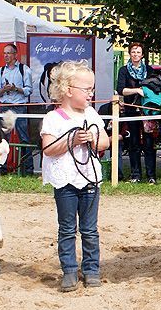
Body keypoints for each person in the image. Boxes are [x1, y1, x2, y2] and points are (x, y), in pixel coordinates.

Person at [40, 60, 109, 292]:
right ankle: (69, 270)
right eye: (86, 89)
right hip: (65, 181)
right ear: (69, 90)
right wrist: (72, 141)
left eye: (91, 89)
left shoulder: (91, 114)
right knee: (67, 228)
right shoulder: (53, 118)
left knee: (90, 229)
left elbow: (105, 141)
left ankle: (91, 270)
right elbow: (48, 148)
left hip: (90, 178)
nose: (91, 93)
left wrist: (93, 138)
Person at [116, 42, 157, 183]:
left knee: (149, 143)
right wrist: (136, 90)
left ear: (142, 54)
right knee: (133, 143)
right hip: (131, 109)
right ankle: (135, 175)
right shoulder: (123, 70)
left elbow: (155, 87)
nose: (136, 54)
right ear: (130, 53)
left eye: (138, 52)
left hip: (147, 111)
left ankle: (151, 176)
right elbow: (121, 89)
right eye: (133, 52)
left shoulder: (149, 69)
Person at [0, 43, 33, 174]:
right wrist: (4, 89)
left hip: (20, 106)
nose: (6, 56)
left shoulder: (24, 69)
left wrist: (16, 88)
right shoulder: (1, 71)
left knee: (24, 138)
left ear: (15, 55)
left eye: (8, 53)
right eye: (4, 53)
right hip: (5, 106)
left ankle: (27, 169)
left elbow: (29, 90)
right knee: (4, 139)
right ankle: (2, 168)